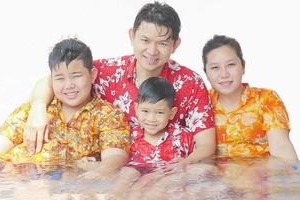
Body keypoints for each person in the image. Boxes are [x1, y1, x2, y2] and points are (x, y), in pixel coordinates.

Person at [25, 1, 216, 168]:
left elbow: (206, 145)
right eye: (145, 40)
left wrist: (179, 168)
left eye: (163, 43)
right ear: (132, 36)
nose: (152, 51)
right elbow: (54, 80)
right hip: (112, 169)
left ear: (175, 45)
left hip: (166, 170)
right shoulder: (108, 71)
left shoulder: (190, 83)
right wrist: (38, 108)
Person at [0, 38, 130, 183]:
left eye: (76, 76)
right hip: (11, 169)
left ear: (92, 75)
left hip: (49, 177)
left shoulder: (108, 115)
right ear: (52, 79)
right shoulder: (37, 109)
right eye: (60, 78)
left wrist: (99, 171)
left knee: (39, 185)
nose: (68, 85)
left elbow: (115, 157)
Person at [202, 34, 298, 163]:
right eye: (215, 68)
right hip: (217, 179)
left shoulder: (266, 99)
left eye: (231, 65)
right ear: (206, 73)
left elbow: (282, 150)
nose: (224, 74)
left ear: (243, 67)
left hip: (261, 176)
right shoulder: (201, 103)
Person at [102, 77, 194, 199]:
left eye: (159, 113)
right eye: (145, 111)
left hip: (165, 181)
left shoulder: (181, 137)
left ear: (171, 113)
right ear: (136, 109)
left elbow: (196, 164)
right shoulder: (130, 135)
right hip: (135, 176)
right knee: (126, 173)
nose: (151, 119)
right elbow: (114, 155)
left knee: (162, 184)